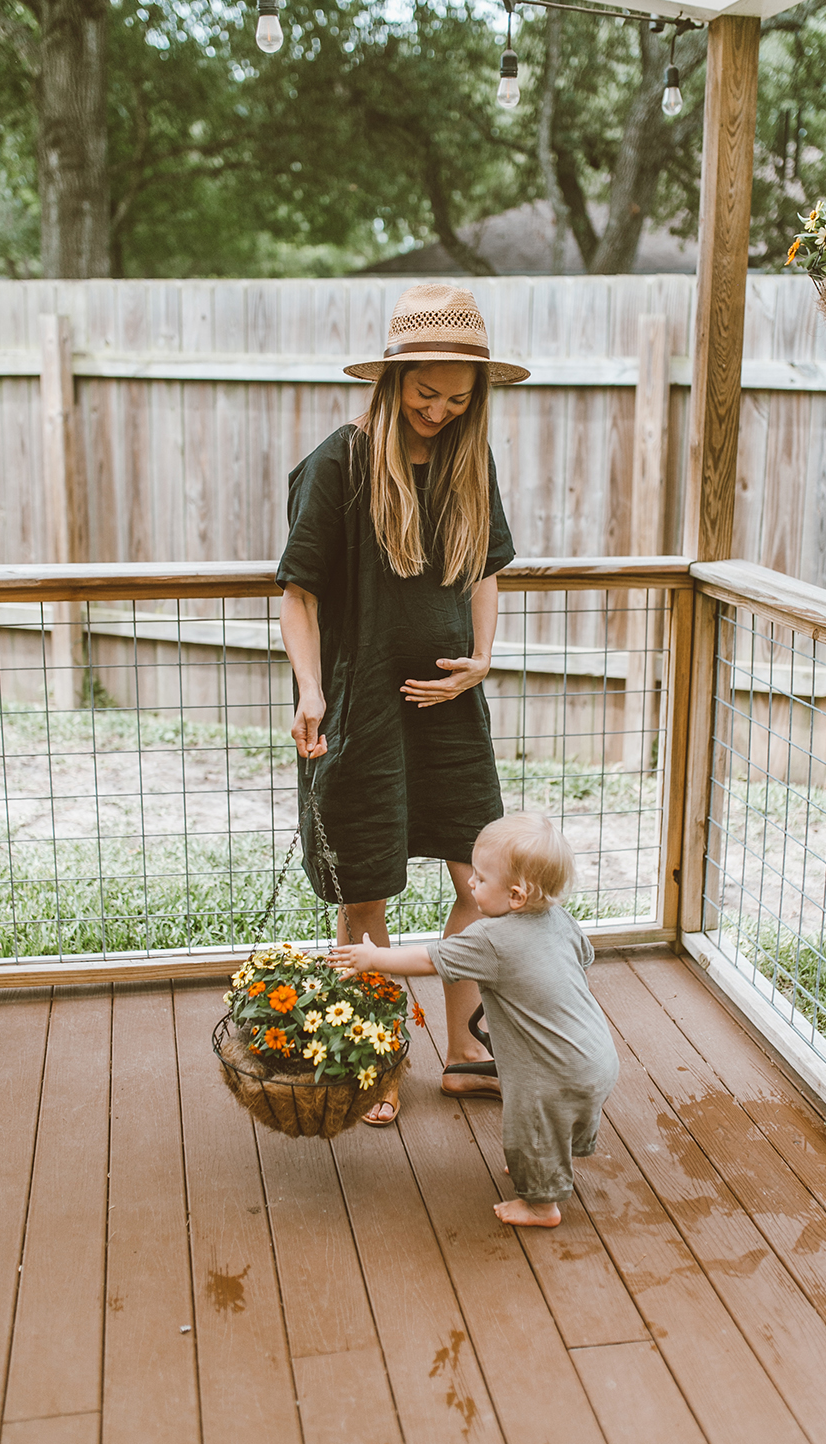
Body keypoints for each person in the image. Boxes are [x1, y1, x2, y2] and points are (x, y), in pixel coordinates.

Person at [277, 283, 530, 1126]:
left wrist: (481, 663)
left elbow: (485, 571)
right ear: (391, 380)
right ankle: (379, 1059)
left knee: (480, 877)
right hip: (364, 711)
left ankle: (464, 1050)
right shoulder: (339, 464)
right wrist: (312, 691)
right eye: (425, 393)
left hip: (451, 710)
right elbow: (298, 594)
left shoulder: (469, 461)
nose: (439, 410)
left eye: (458, 399)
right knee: (368, 889)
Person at [329, 813, 620, 1227]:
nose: (470, 883)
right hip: (596, 1054)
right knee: (564, 1112)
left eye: (481, 879)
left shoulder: (493, 939)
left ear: (516, 895)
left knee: (530, 1123)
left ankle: (541, 1204)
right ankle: (556, 1158)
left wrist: (372, 958)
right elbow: (583, 958)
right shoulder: (559, 919)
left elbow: (428, 959)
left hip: (551, 1070)